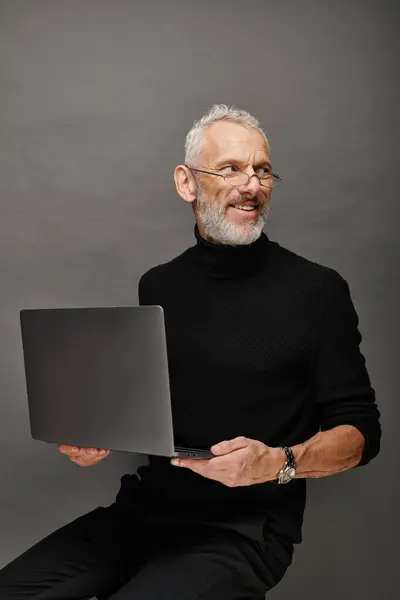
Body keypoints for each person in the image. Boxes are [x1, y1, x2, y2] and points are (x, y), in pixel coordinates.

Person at [0, 104, 381, 600]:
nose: (252, 185)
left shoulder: (318, 290)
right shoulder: (159, 284)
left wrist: (279, 462)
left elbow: (361, 433)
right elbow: (153, 405)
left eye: (262, 170)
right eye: (230, 169)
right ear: (186, 183)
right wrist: (92, 438)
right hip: (146, 512)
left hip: (244, 531)